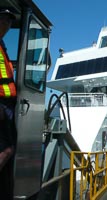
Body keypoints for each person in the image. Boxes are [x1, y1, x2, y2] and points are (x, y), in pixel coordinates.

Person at [0, 8, 17, 199]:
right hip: (2, 105)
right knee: (7, 148)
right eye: (3, 19)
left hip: (8, 105)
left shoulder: (2, 46)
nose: (7, 25)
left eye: (9, 22)